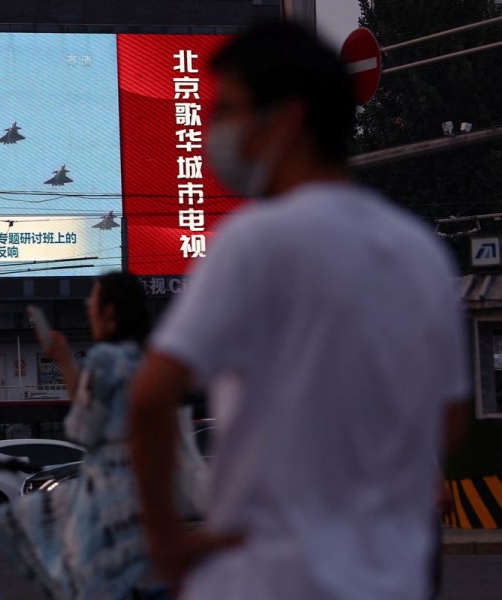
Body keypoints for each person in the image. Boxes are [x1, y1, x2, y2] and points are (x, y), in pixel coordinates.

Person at [128, 21, 471, 600]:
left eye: (230, 109)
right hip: (392, 579)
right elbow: (450, 416)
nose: (214, 132)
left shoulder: (254, 242)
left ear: (285, 120)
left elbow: (151, 396)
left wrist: (167, 541)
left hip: (268, 578)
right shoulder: (420, 251)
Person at [0, 271, 205, 600]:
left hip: (107, 493)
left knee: (10, 523)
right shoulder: (148, 359)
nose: (88, 307)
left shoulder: (104, 360)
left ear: (109, 312)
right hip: (144, 493)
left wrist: (65, 366)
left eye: (93, 301)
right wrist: (63, 359)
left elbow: (83, 428)